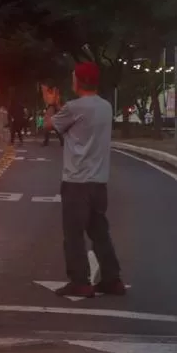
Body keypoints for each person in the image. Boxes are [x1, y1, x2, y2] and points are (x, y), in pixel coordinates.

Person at [43, 61, 124, 298]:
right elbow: (74, 122)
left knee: (74, 234)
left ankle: (80, 281)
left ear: (78, 81)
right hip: (99, 182)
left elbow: (49, 126)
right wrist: (60, 105)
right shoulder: (105, 107)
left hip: (76, 182)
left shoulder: (74, 107)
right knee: (99, 232)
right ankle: (112, 279)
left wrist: (50, 105)